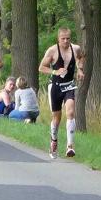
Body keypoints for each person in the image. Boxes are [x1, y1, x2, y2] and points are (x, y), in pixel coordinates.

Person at [38, 27, 85, 158]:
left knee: (70, 112)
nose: (65, 41)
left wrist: (80, 69)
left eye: (68, 38)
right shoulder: (52, 50)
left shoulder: (75, 48)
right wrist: (55, 71)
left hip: (69, 85)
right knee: (56, 118)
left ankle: (70, 146)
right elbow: (41, 67)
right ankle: (54, 140)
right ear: (58, 39)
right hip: (55, 86)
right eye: (63, 39)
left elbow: (81, 57)